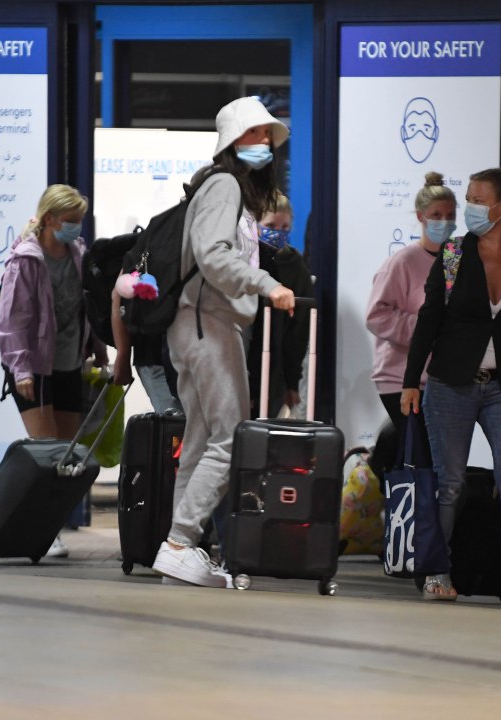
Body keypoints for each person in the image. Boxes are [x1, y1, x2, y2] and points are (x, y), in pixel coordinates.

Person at [151, 96, 296, 588]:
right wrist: (265, 284)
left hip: (192, 325)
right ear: (235, 139)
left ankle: (180, 548)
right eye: (257, 135)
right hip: (209, 324)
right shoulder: (225, 184)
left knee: (199, 442)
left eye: (269, 137)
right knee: (231, 439)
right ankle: (179, 541)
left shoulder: (215, 185)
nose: (267, 145)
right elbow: (212, 256)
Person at [401, 167, 501, 606]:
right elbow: (428, 320)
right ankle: (437, 573)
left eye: (476, 198)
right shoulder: (453, 254)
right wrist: (411, 382)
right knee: (449, 484)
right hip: (450, 385)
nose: (468, 207)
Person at [0, 184, 108, 557]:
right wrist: (21, 369)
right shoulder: (26, 261)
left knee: (67, 459)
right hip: (34, 368)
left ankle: (48, 526)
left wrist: (97, 348)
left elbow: (83, 307)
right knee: (45, 454)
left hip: (68, 364)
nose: (77, 228)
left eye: (80, 221)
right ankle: (38, 531)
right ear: (48, 220)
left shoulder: (77, 254)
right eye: (70, 221)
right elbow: (13, 320)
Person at [365, 172, 456, 475]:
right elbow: (376, 315)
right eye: (436, 215)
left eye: (449, 215)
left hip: (440, 379)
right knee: (419, 458)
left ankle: (383, 480)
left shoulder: (455, 263)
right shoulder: (402, 263)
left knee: (429, 458)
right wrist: (424, 329)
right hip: (400, 377)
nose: (444, 221)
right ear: (420, 217)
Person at [247, 192, 314, 419]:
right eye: (270, 225)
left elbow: (298, 332)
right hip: (242, 361)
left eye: (285, 227)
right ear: (254, 225)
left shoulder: (296, 267)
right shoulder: (242, 262)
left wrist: (292, 383)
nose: (278, 232)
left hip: (274, 371)